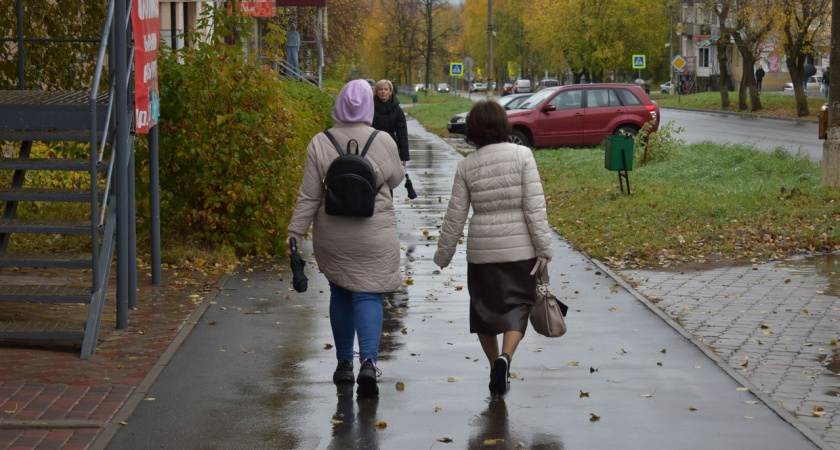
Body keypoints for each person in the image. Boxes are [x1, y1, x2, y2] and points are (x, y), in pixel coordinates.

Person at [286, 80, 405, 398]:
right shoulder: (383, 140)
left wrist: (295, 233)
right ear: (368, 105)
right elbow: (396, 178)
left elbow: (309, 196)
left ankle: (343, 366)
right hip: (374, 234)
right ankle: (368, 361)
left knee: (340, 293)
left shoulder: (320, 142)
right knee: (369, 296)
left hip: (333, 234)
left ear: (339, 104)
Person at [433, 101, 554, 396]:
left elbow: (455, 214)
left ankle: (493, 366)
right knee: (519, 306)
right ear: (504, 124)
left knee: (484, 312)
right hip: (520, 249)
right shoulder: (523, 155)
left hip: (482, 252)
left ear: (473, 130)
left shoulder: (466, 165)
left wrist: (443, 254)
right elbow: (534, 207)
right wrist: (544, 247)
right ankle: (506, 358)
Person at [371, 80, 409, 165]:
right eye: (380, 89)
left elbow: (402, 134)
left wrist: (404, 156)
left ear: (391, 92)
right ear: (376, 91)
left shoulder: (397, 110)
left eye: (386, 89)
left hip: (390, 145)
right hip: (373, 145)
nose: (383, 92)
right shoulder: (370, 107)